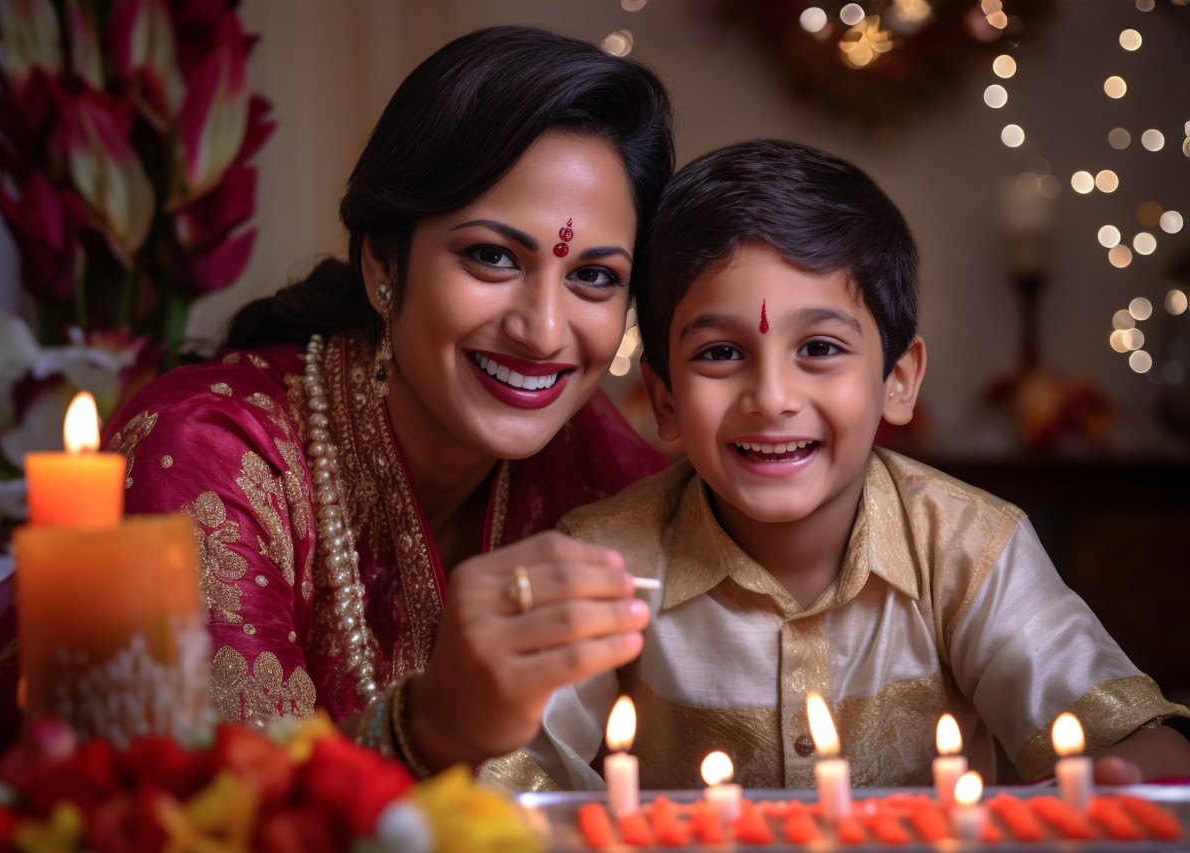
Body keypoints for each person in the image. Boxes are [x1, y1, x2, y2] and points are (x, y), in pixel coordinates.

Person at [0, 25, 675, 777]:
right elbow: (205, 815)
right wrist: (431, 726)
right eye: (490, 257)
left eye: (596, 276)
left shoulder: (598, 463)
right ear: (383, 260)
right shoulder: (203, 455)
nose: (542, 330)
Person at [495, 140, 1190, 792]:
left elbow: (1143, 745)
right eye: (719, 353)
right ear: (665, 398)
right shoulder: (608, 561)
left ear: (898, 378)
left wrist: (1116, 774)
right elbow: (506, 778)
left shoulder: (968, 547)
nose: (771, 398)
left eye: (820, 348)